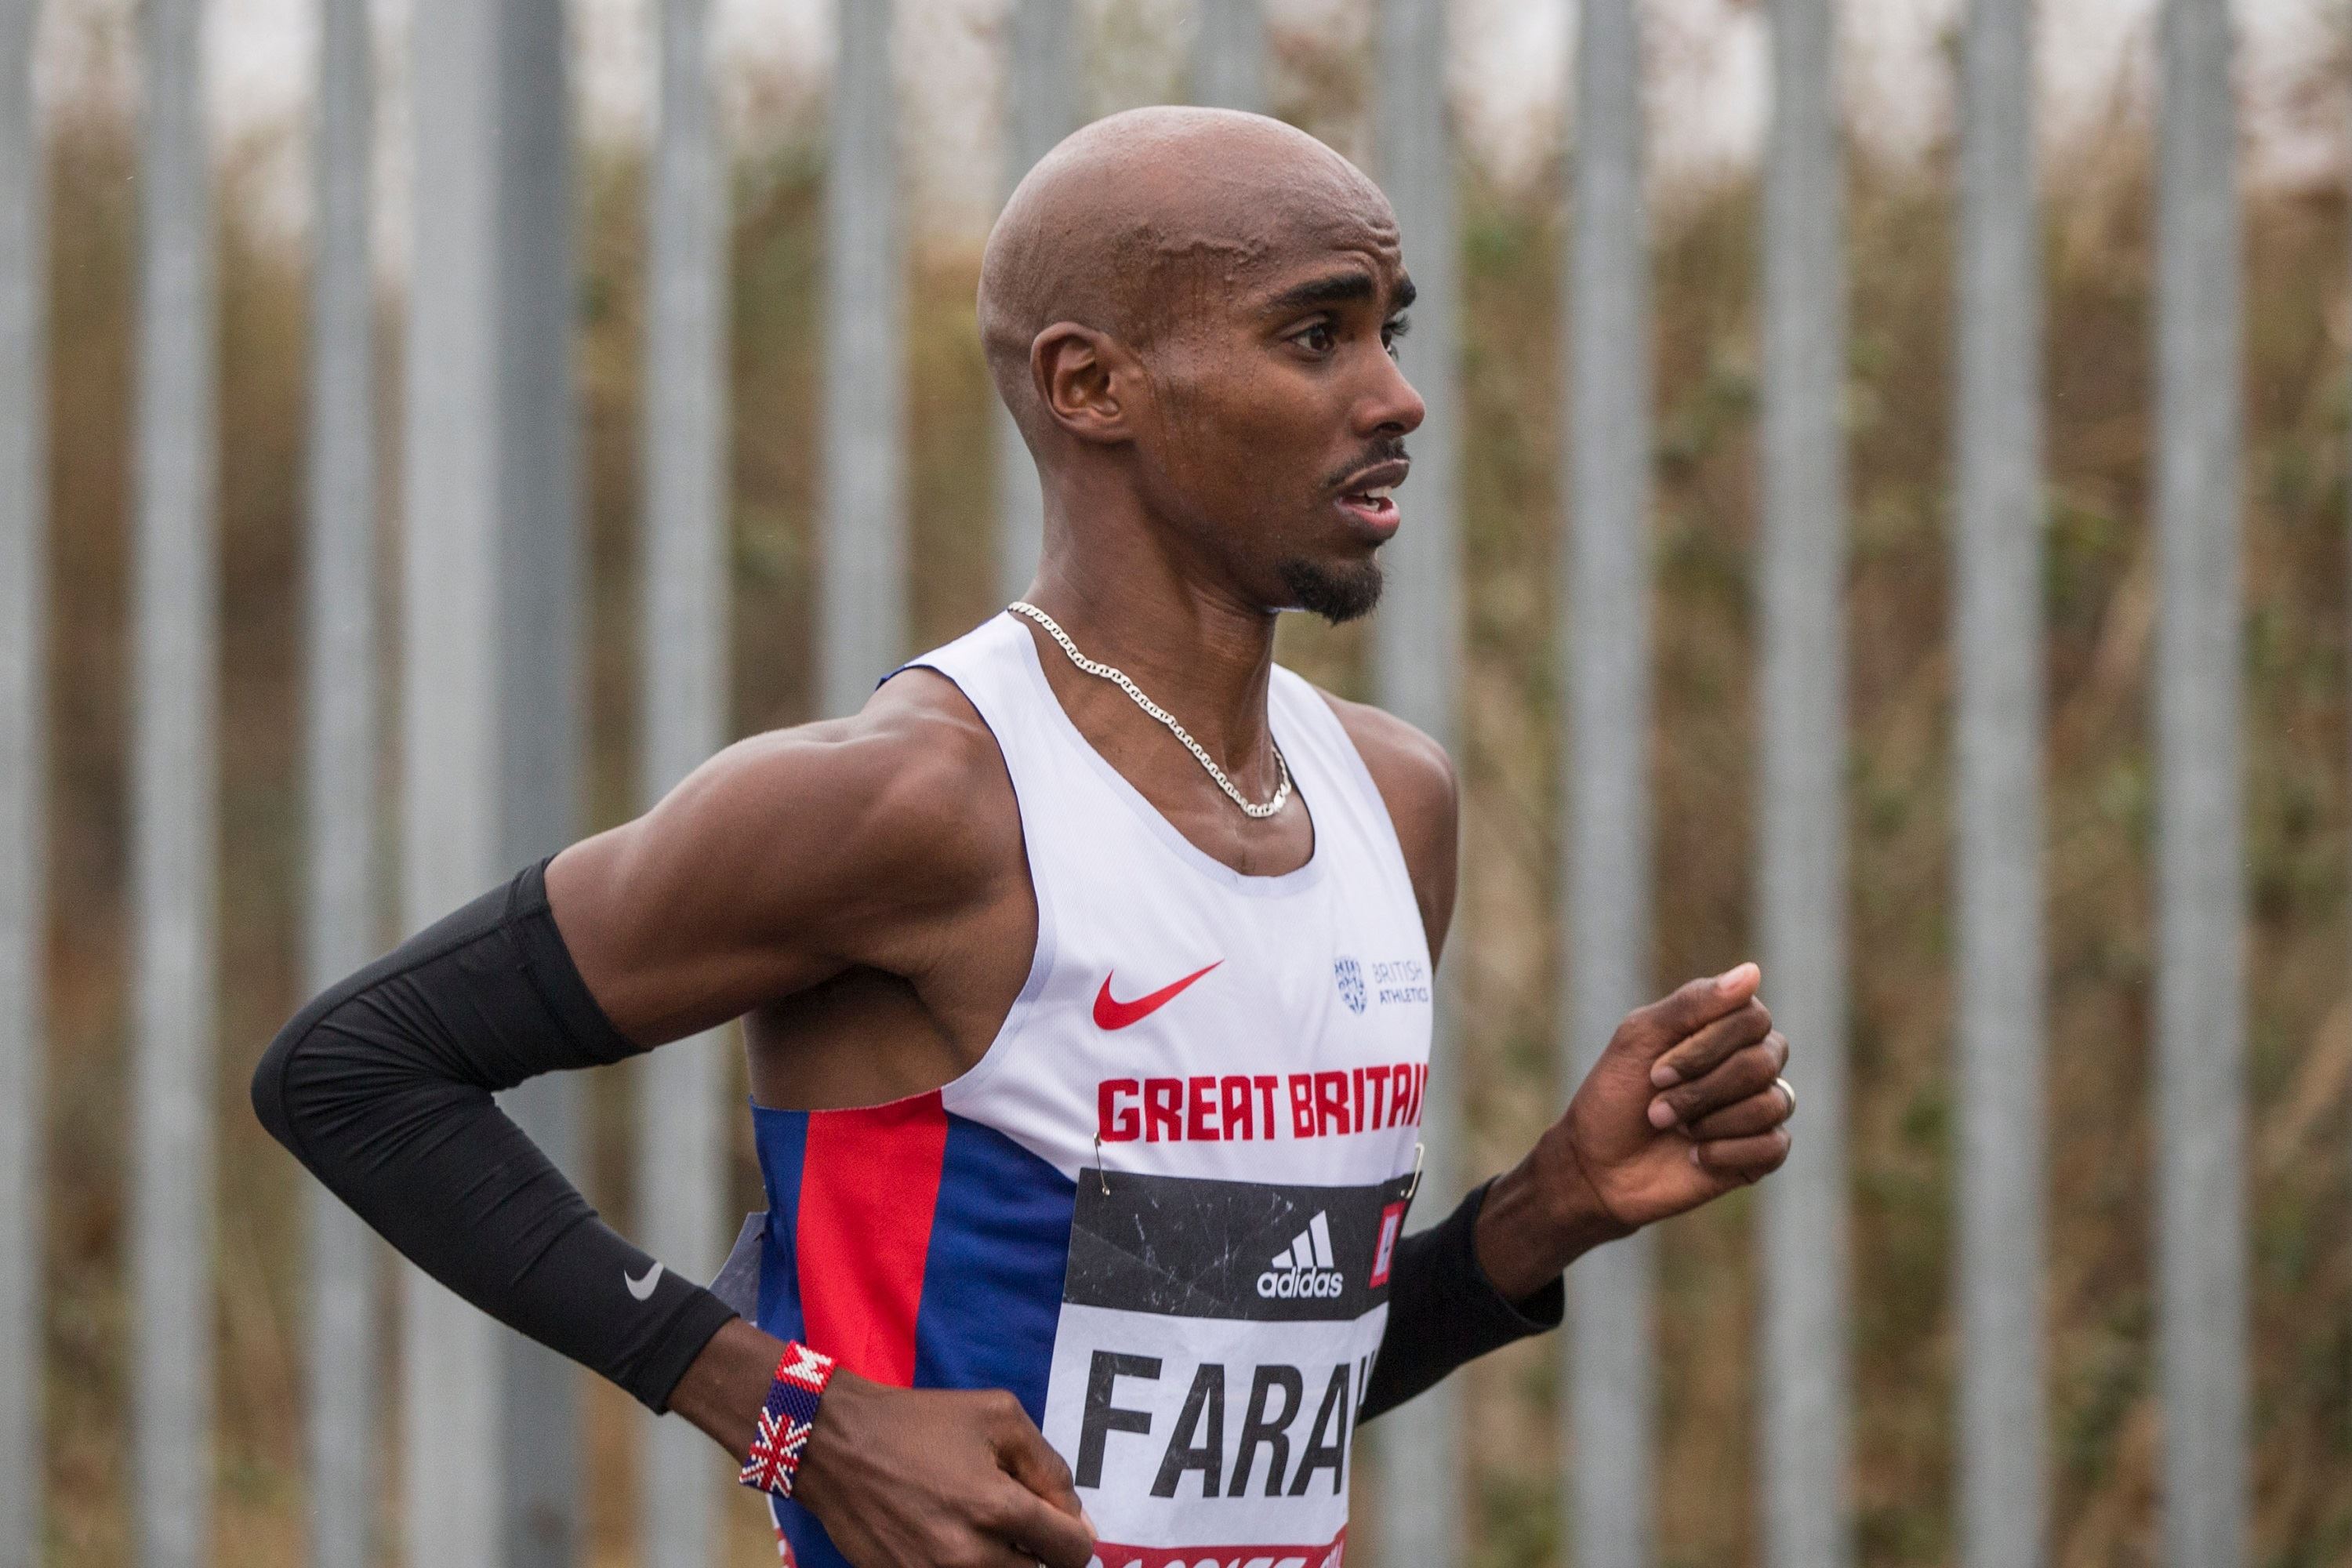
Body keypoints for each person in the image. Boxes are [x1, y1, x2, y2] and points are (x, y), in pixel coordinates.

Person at [254, 106, 1795, 1568]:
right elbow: (352, 1067)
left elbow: (1235, 1401)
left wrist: (1547, 1211)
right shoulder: (917, 802)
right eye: (1316, 333)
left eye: (1394, 329)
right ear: (1089, 385)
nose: (1393, 395)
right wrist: (790, 1418)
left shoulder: (1393, 808)